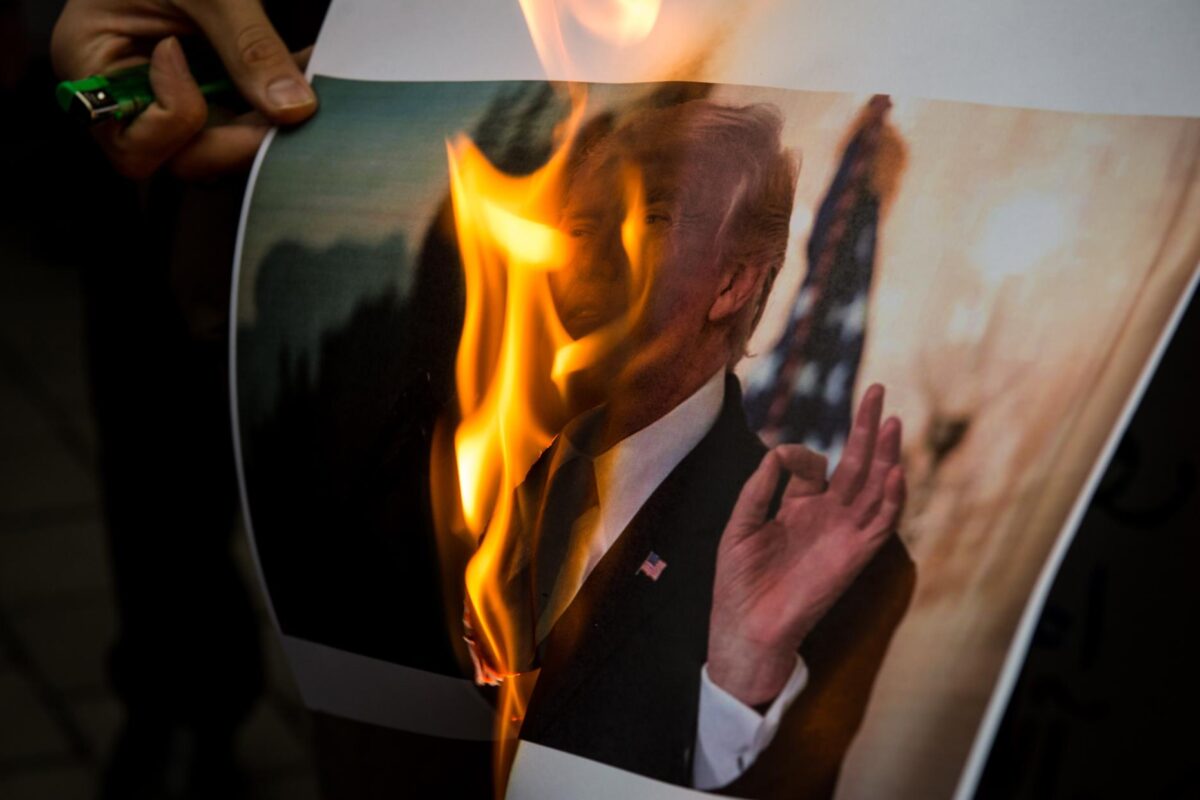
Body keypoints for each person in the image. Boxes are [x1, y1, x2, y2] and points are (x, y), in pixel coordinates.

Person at [469, 99, 916, 797]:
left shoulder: (830, 566)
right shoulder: (519, 480)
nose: (591, 259)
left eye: (649, 219)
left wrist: (742, 684)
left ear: (734, 283)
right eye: (580, 224)